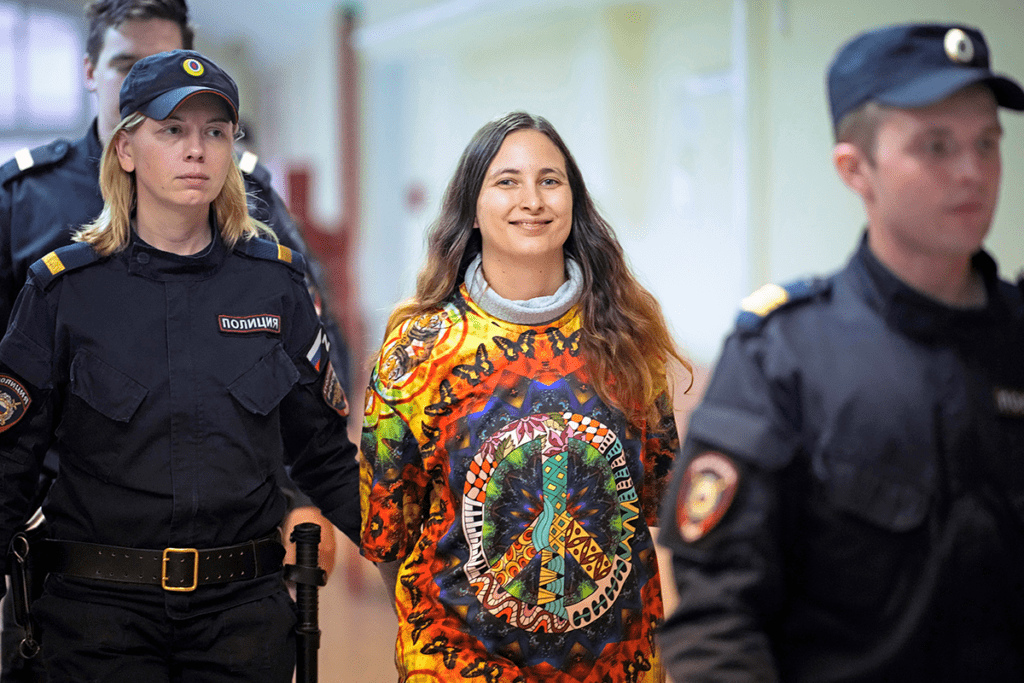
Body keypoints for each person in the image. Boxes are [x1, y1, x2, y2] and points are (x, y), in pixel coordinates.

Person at [657, 23, 1024, 682]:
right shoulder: (783, 358)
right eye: (935, 146)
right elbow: (717, 616)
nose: (973, 171)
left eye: (987, 143)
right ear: (856, 169)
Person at [0, 1, 345, 677]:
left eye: (215, 131)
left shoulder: (268, 269)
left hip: (239, 603)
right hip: (88, 591)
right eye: (172, 129)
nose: (195, 149)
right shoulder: (48, 256)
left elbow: (318, 430)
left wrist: (326, 512)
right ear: (123, 141)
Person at [360, 111, 689, 682]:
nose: (531, 199)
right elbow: (390, 533)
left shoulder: (629, 334)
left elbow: (655, 502)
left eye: (550, 180)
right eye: (506, 181)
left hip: (617, 670)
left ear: (573, 200)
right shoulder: (421, 347)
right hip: (462, 669)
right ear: (473, 207)